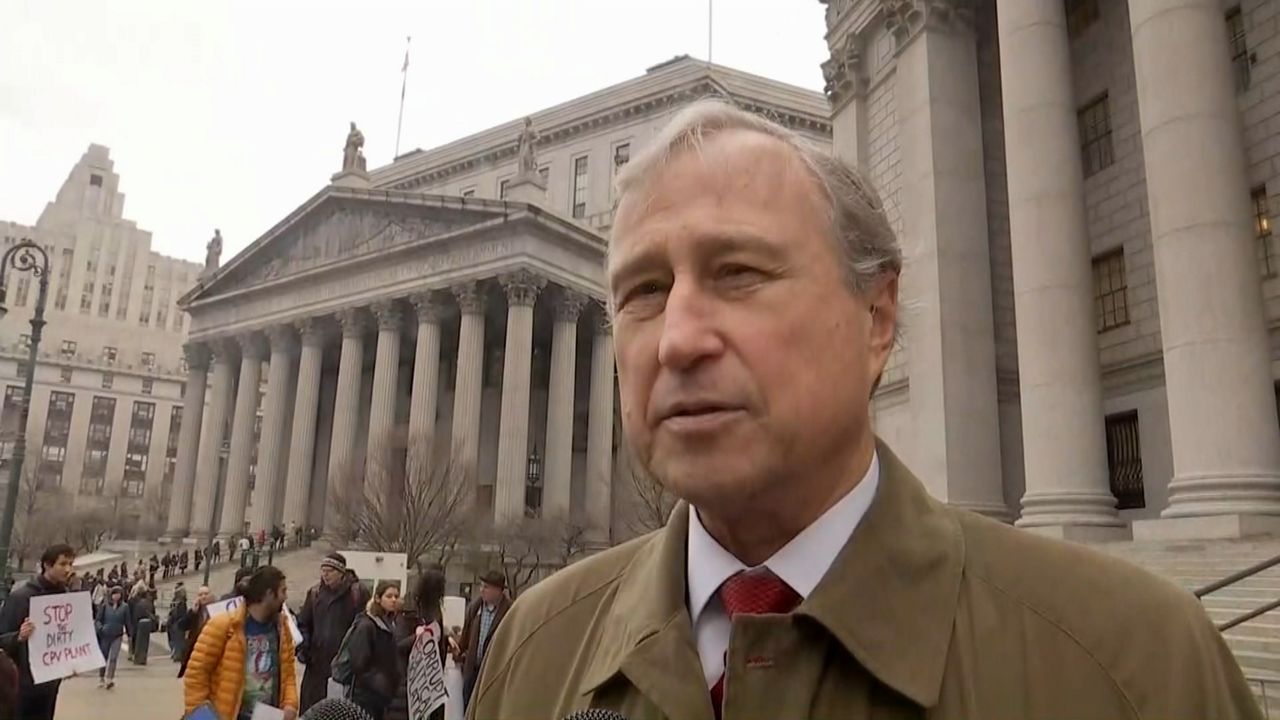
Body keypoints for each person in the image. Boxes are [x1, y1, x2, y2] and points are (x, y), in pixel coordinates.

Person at [465, 101, 1262, 719]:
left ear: (876, 319)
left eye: (737, 272)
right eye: (644, 292)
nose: (677, 339)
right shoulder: (535, 654)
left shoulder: (1136, 665)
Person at [184, 566, 299, 720]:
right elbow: (196, 674)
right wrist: (201, 715)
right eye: (283, 591)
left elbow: (288, 673)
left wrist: (290, 704)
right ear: (269, 594)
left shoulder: (282, 629)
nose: (285, 597)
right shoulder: (223, 625)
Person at [0, 543, 75, 719]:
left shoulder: (65, 598)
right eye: (63, 564)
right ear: (47, 565)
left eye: (71, 564)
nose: (68, 569)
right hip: (22, 687)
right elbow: (2, 639)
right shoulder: (21, 597)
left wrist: (72, 662)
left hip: (49, 684)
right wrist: (18, 636)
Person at [297, 553, 370, 713]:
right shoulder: (315, 593)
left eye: (330, 570)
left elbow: (364, 626)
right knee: (312, 710)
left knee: (339, 711)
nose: (325, 574)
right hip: (316, 665)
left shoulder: (357, 593)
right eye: (323, 570)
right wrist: (304, 647)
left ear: (341, 572)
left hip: (344, 666)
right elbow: (303, 624)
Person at [386, 567, 447, 720]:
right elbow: (399, 645)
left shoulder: (433, 608)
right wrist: (418, 636)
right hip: (412, 679)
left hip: (429, 680)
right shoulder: (411, 611)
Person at [455, 570, 510, 712]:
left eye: (486, 587)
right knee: (468, 706)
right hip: (472, 669)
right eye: (481, 586)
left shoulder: (509, 611)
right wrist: (459, 651)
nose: (481, 590)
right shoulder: (475, 608)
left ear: (498, 590)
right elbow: (466, 635)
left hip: (494, 671)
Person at [347, 581, 400, 720]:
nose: (394, 600)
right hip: (366, 697)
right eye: (389, 596)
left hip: (381, 697)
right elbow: (358, 663)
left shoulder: (389, 624)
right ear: (377, 598)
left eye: (396, 596)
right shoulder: (367, 625)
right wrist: (380, 683)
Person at [95, 586, 130, 689]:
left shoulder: (125, 607)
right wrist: (101, 628)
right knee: (104, 657)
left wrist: (129, 634)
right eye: (115, 593)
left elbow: (127, 621)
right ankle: (101, 677)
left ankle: (110, 679)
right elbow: (98, 620)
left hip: (117, 635)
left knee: (113, 657)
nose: (116, 596)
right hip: (105, 635)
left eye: (119, 594)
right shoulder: (105, 606)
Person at [177, 585, 214, 678]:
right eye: (200, 594)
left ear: (211, 595)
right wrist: (192, 612)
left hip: (210, 649)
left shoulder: (216, 610)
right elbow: (181, 626)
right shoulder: (195, 612)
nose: (203, 597)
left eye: (206, 594)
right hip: (195, 650)